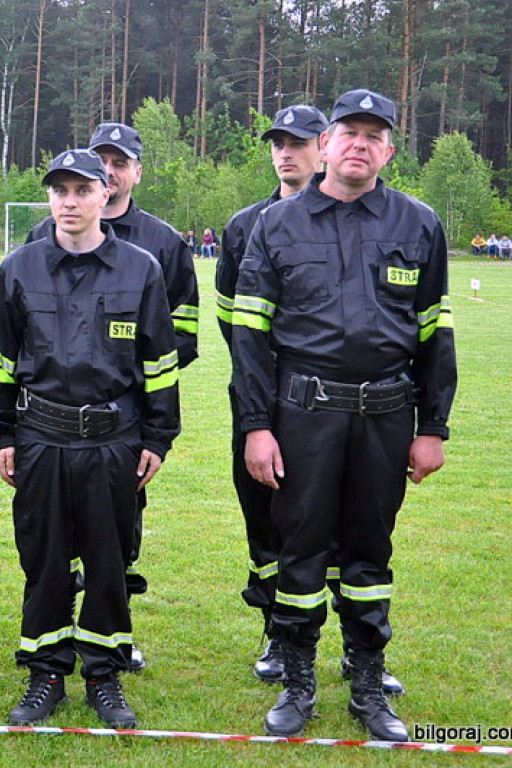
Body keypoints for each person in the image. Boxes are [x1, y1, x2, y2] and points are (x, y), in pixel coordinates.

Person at [231, 90, 456, 741]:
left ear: (388, 149)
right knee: (300, 551)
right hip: (304, 415)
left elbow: (434, 333)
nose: (359, 144)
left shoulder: (419, 224)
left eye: (373, 135)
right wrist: (257, 424)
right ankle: (298, 680)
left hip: (386, 417)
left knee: (369, 552)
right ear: (324, 145)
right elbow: (250, 338)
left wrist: (433, 428)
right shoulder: (275, 226)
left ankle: (366, 681)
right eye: (347, 132)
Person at [0, 149, 180, 728]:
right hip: (40, 436)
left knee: (107, 559)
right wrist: (0, 435)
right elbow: (0, 360)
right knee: (43, 559)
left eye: (81, 191)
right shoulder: (18, 268)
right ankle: (45, 673)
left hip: (113, 441)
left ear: (104, 194)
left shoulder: (141, 269)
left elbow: (159, 362)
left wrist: (157, 438)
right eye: (59, 191)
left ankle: (103, 673)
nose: (69, 202)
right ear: (49, 198)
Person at [217, 104, 405, 697]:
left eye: (297, 142)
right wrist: (265, 406)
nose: (285, 152)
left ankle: (362, 659)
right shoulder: (254, 224)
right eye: (278, 142)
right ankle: (285, 642)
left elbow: (420, 327)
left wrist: (432, 423)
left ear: (318, 147)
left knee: (359, 537)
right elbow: (238, 324)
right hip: (283, 402)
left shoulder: (406, 221)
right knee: (281, 529)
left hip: (365, 408)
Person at [28, 122, 198, 673]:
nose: (109, 170)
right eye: (99, 160)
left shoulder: (161, 246)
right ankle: (54, 646)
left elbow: (175, 340)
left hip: (118, 424)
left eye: (116, 163)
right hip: (50, 428)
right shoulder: (35, 244)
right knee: (50, 541)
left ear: (127, 175)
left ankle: (110, 636)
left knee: (115, 537)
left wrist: (141, 412)